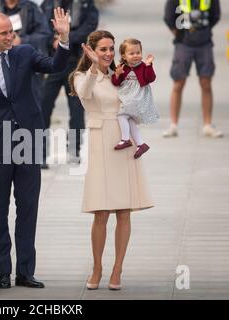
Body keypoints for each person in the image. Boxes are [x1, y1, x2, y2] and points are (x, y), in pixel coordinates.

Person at [0, 9, 70, 289]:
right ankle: (4, 272)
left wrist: (64, 38)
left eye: (12, 32)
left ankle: (25, 272)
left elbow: (55, 66)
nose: (11, 37)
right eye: (5, 33)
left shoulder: (25, 53)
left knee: (28, 207)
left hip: (29, 140)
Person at [69, 31, 154, 290]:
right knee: (101, 212)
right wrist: (94, 65)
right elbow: (84, 94)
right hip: (100, 142)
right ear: (92, 51)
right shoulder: (82, 75)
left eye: (110, 49)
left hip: (124, 140)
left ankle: (118, 268)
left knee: (124, 210)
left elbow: (136, 101)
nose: (107, 54)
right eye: (102, 49)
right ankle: (97, 267)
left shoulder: (122, 74)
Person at [40, 0, 99, 167]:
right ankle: (41, 153)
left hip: (76, 63)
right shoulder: (47, 4)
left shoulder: (86, 3)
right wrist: (53, 39)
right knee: (43, 107)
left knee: (77, 110)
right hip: (52, 62)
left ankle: (74, 150)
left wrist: (66, 38)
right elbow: (41, 27)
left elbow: (90, 26)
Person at [163, 0, 222, 138]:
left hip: (205, 43)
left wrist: (203, 31)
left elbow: (215, 15)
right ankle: (173, 125)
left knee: (206, 83)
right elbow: (168, 17)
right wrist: (180, 34)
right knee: (178, 83)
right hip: (183, 44)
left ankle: (207, 125)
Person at [0, 0, 52, 103]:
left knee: (32, 105)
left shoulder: (31, 8)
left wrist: (22, 41)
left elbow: (44, 34)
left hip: (26, 66)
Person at [111, 38, 160, 159]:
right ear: (124, 55)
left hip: (138, 97)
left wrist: (149, 65)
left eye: (138, 52)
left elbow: (150, 78)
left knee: (122, 115)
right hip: (129, 96)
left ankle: (125, 139)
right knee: (130, 120)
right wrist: (117, 74)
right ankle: (140, 144)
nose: (136, 56)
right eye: (131, 53)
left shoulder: (143, 66)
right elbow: (116, 82)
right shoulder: (122, 67)